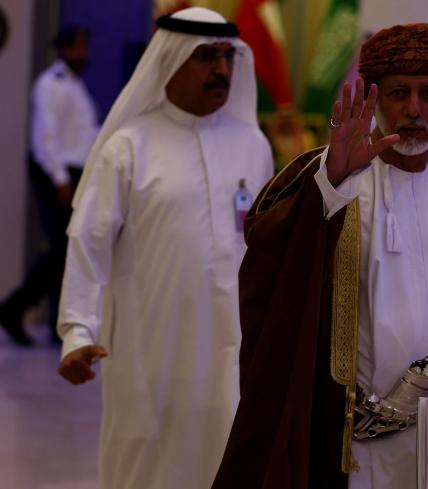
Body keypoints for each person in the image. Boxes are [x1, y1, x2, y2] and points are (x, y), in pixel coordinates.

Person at [211, 23, 428, 489]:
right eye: (398, 93)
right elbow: (267, 246)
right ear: (374, 98)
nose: (413, 110)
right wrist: (332, 183)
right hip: (350, 440)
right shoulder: (333, 168)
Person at [54, 7, 273, 489]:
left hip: (231, 354)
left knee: (229, 462)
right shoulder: (128, 148)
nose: (220, 70)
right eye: (204, 58)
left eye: (226, 57)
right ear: (168, 61)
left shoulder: (252, 144)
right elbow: (87, 246)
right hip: (151, 353)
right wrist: (76, 332)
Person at [0, 26, 99, 346]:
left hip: (74, 174)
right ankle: (12, 310)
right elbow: (46, 139)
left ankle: (59, 323)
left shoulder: (74, 85)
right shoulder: (51, 84)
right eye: (80, 47)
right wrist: (60, 180)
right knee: (62, 249)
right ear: (65, 48)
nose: (85, 54)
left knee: (69, 251)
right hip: (54, 174)